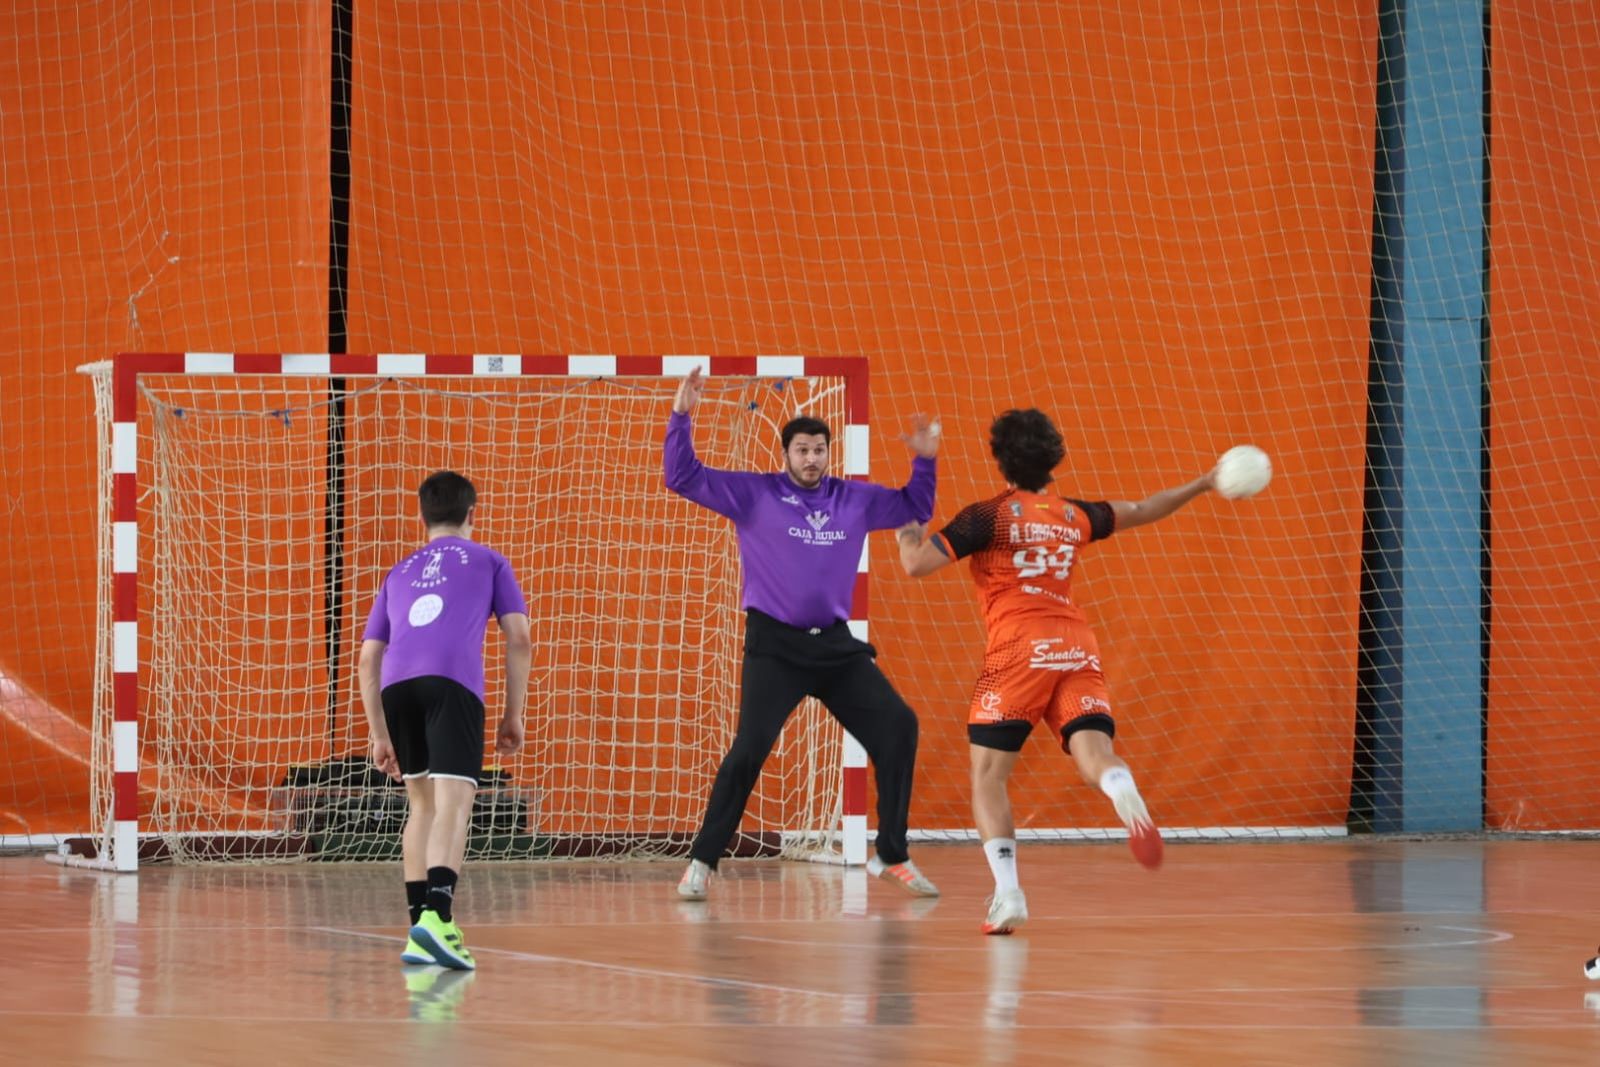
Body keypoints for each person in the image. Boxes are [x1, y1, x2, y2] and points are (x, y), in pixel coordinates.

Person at [894, 408, 1218, 935]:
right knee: (1095, 753)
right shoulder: (1074, 515)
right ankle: (1119, 788)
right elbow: (1141, 508)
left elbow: (915, 564)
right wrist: (1204, 483)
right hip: (1075, 644)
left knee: (989, 776)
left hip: (1018, 647)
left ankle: (1008, 892)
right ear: (1053, 460)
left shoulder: (988, 516)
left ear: (1000, 459)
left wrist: (908, 525)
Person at [666, 365, 941, 900]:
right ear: (786, 454)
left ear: (827, 453)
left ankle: (891, 853)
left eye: (819, 449)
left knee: (899, 728)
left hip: (835, 648)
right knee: (749, 749)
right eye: (801, 450)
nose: (811, 458)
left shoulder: (853, 499)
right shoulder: (754, 494)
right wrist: (682, 415)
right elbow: (682, 476)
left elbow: (915, 505)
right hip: (775, 647)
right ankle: (702, 860)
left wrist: (924, 459)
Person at [360, 470, 532, 969]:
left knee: (422, 803)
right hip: (452, 682)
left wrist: (378, 734)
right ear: (472, 516)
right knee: (455, 801)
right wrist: (512, 715)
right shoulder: (490, 561)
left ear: (422, 517)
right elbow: (518, 637)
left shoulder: (399, 570)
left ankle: (421, 928)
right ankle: (437, 916)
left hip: (397, 687)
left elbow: (369, 657)